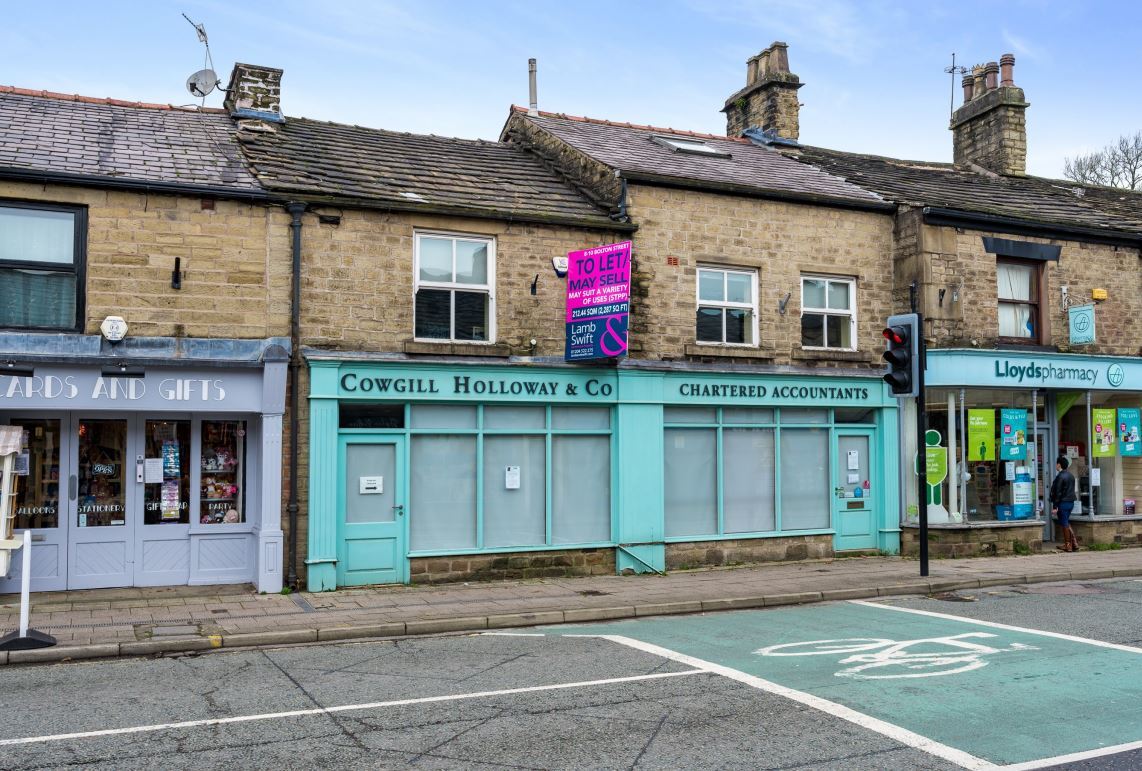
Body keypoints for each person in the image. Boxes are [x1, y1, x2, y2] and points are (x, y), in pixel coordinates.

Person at [1050, 456, 1079, 552]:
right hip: (1070, 502)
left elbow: (1058, 493)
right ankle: (1074, 543)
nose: (1056, 465)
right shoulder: (1071, 475)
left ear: (1059, 465)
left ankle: (1068, 545)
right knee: (1065, 521)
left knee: (1064, 523)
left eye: (1056, 464)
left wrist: (1055, 506)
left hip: (1063, 503)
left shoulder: (1060, 476)